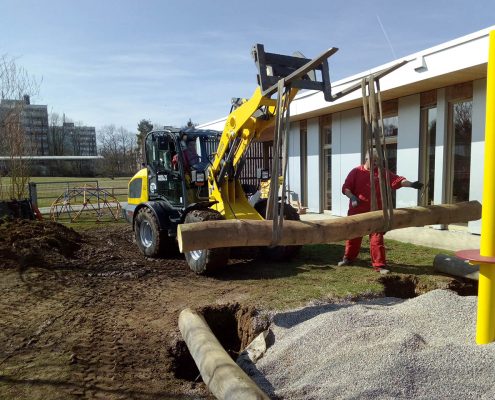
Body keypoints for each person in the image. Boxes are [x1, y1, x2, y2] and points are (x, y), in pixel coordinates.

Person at [337, 149, 423, 274]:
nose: (376, 163)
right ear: (366, 159)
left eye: (378, 161)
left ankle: (380, 265)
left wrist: (411, 184)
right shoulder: (356, 172)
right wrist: (352, 197)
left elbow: (397, 181)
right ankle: (348, 258)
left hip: (376, 212)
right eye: (373, 160)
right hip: (357, 212)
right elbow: (346, 188)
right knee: (353, 236)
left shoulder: (382, 172)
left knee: (377, 239)